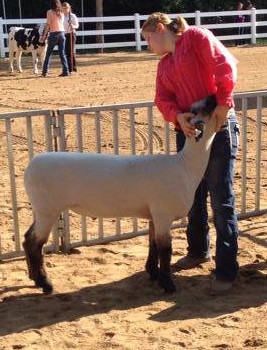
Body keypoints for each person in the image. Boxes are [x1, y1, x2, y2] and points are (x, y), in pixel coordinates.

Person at [141, 13, 239, 294]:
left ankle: (226, 269)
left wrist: (224, 103)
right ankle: (198, 251)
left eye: (148, 39)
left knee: (221, 197)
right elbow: (162, 99)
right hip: (188, 130)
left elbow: (223, 65)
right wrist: (177, 118)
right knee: (192, 196)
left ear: (159, 29)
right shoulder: (165, 65)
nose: (149, 45)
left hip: (218, 126)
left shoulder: (196, 37)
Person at [40, 0, 69, 77]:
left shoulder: (50, 12)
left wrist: (44, 36)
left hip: (53, 34)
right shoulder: (62, 12)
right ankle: (66, 71)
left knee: (48, 54)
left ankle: (45, 72)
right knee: (62, 54)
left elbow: (48, 25)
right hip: (62, 34)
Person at [62, 2, 79, 73]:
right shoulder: (61, 16)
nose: (65, 9)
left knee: (71, 52)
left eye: (67, 8)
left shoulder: (72, 16)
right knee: (65, 52)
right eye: (64, 8)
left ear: (69, 8)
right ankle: (68, 68)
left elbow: (77, 25)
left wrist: (73, 26)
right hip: (64, 35)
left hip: (71, 34)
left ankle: (73, 68)